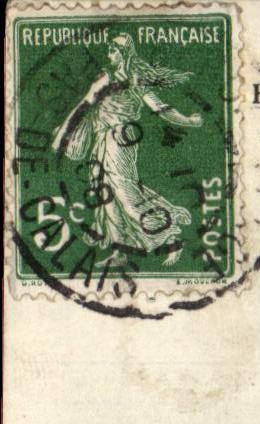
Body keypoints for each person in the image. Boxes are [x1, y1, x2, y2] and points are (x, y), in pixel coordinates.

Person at [51, 33, 203, 263]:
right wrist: (64, 133)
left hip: (121, 137)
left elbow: (160, 108)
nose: (109, 54)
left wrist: (188, 121)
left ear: (125, 53)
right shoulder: (105, 77)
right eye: (109, 49)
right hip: (103, 137)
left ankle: (169, 236)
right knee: (104, 190)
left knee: (123, 191)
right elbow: (83, 106)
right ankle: (120, 249)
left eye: (114, 50)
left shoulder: (135, 79)